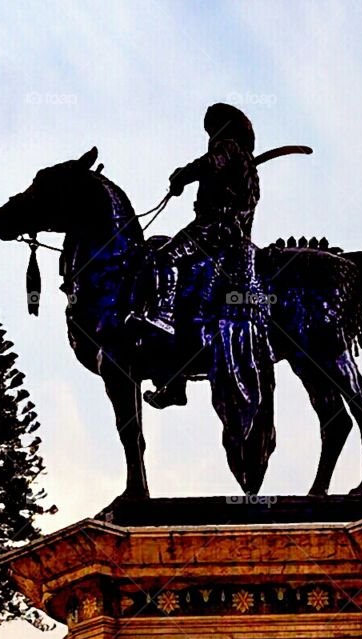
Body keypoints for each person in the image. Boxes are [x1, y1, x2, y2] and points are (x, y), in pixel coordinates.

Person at [136, 103, 261, 409]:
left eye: (212, 128)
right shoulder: (245, 164)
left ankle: (162, 318)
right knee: (164, 252)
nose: (210, 135)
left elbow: (208, 164)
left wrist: (183, 175)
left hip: (212, 228)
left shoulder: (228, 149)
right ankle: (174, 380)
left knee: (162, 258)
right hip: (231, 233)